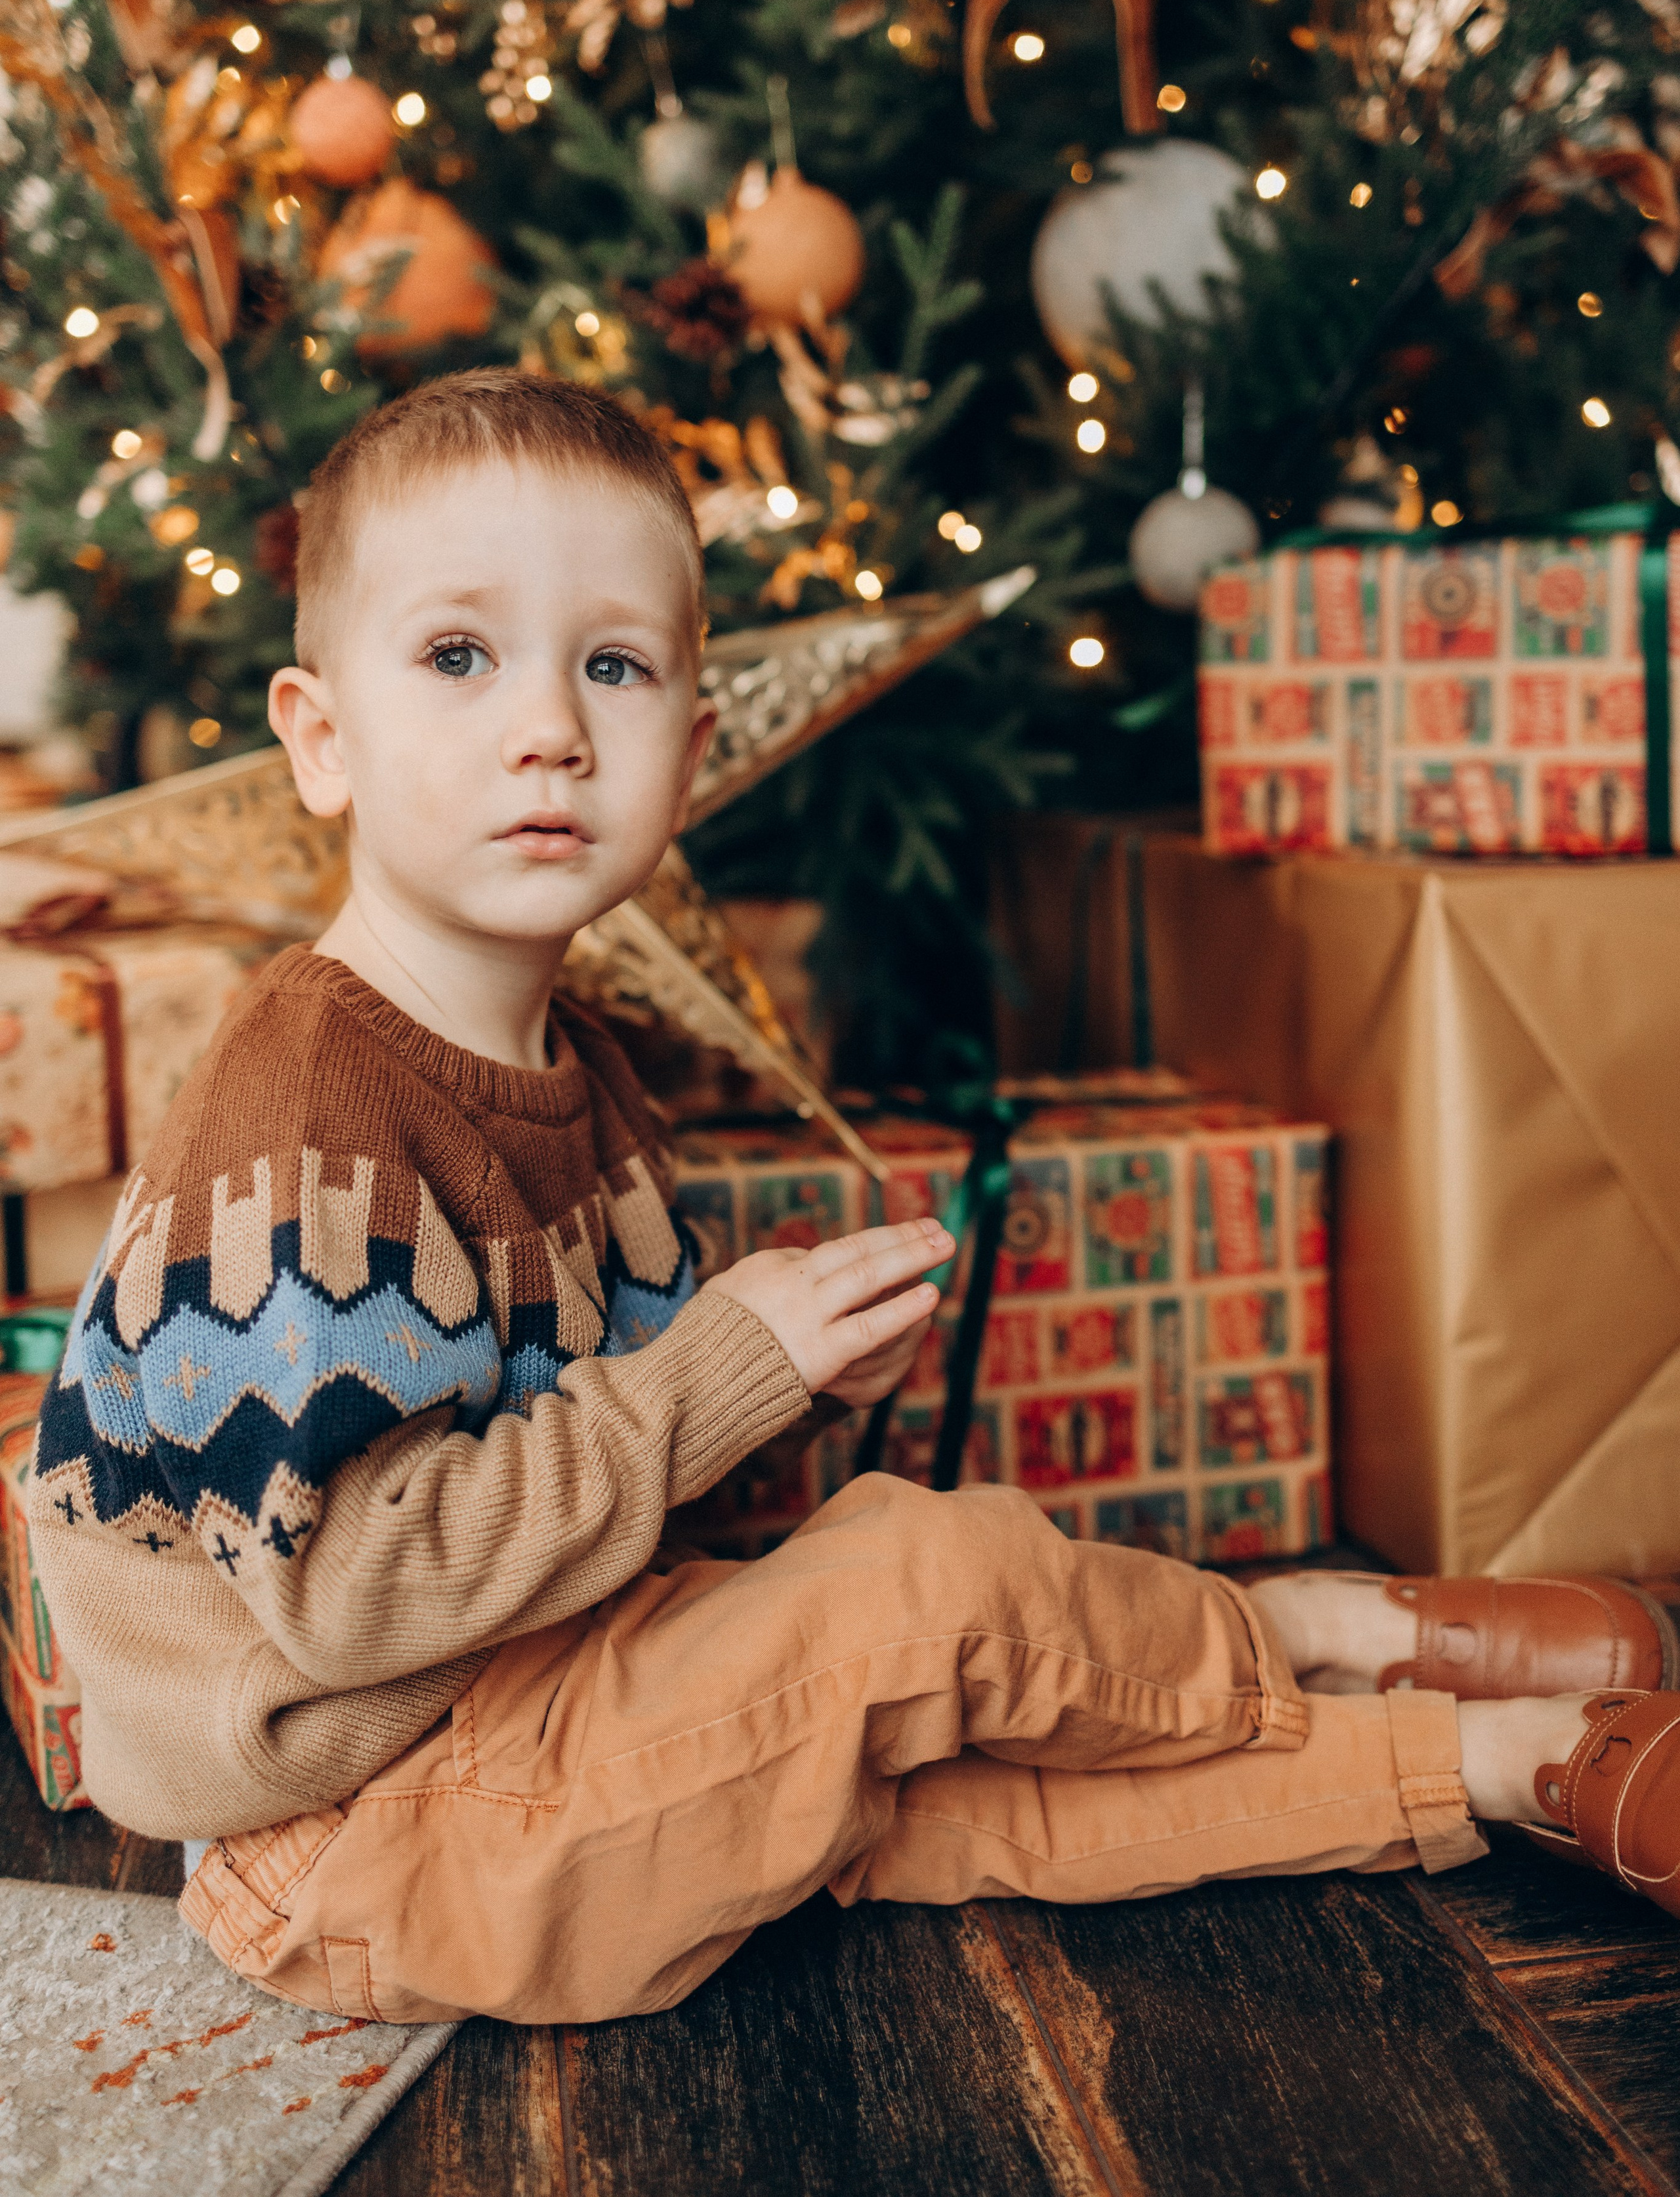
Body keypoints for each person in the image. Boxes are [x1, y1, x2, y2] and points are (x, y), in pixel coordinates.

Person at [29, 370, 1680, 2028]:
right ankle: (1302, 1626)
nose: (549, 726)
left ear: (689, 738)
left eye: (612, 664)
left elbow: (632, 1446)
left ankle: (1489, 1762)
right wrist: (719, 1376)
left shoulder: (576, 1061)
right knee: (909, 1593)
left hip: (525, 1698)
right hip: (349, 1833)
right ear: (321, 740)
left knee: (923, 1773)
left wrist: (790, 1379)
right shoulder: (304, 1106)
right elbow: (353, 1592)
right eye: (459, 657)